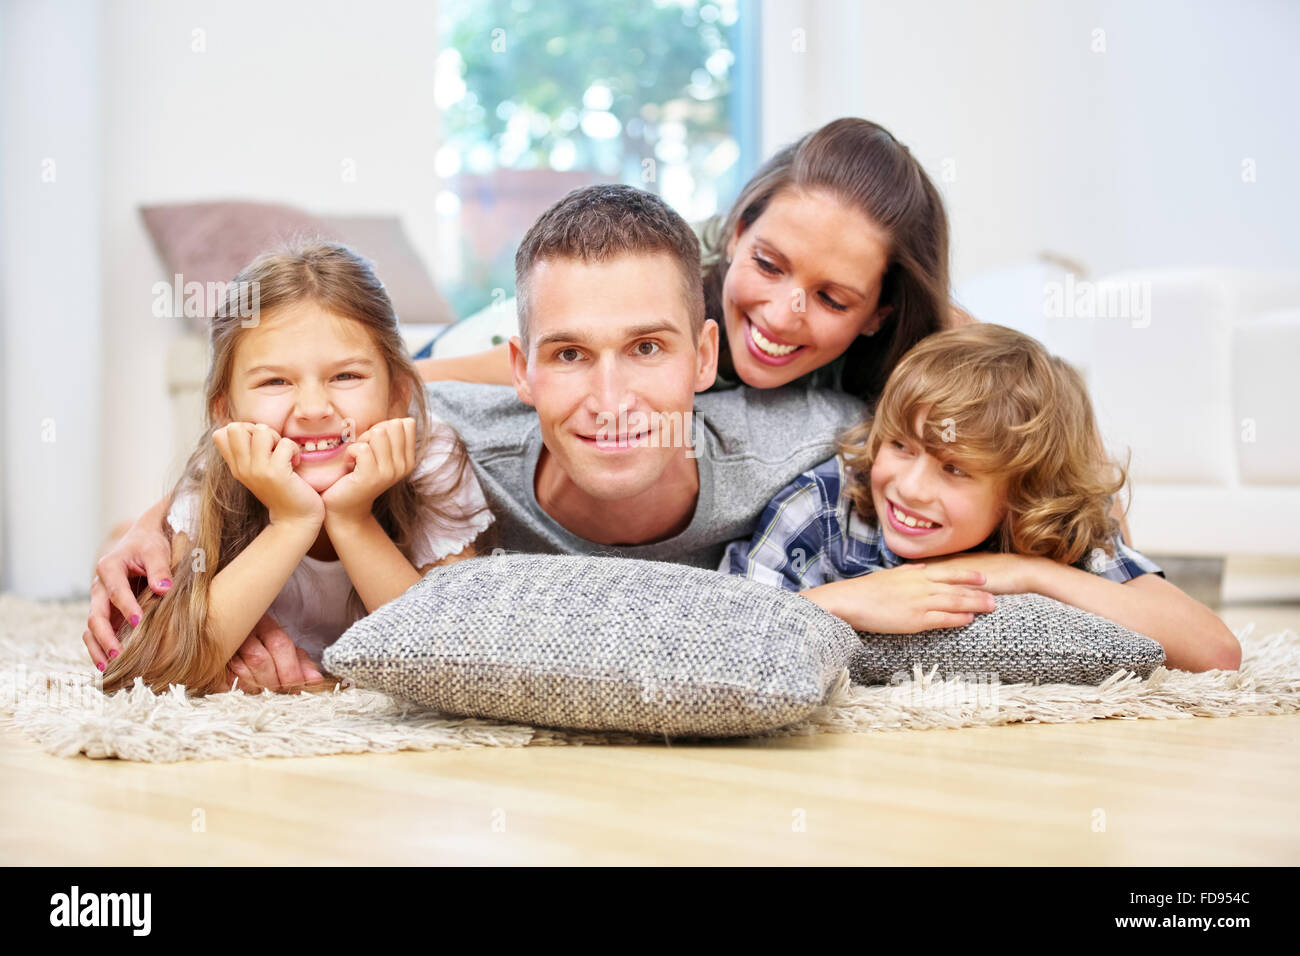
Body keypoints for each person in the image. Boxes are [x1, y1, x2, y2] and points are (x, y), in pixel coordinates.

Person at [89, 186, 865, 688]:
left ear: (705, 355)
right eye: (568, 355)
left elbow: (963, 423)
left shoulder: (801, 440)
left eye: (648, 348)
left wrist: (849, 599)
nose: (609, 399)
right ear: (521, 370)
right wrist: (149, 526)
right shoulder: (438, 434)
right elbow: (278, 430)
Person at [93, 241, 493, 694]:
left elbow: (454, 657)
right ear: (226, 411)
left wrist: (352, 517)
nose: (313, 408)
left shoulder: (430, 455)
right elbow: (149, 672)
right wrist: (292, 522)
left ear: (398, 392)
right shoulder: (216, 472)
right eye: (275, 381)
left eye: (346, 376)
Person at [724, 324, 1241, 673]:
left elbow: (1216, 651)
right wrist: (846, 601)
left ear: (1021, 492)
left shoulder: (1048, 525)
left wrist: (1033, 573)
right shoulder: (825, 505)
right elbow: (723, 633)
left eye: (954, 469)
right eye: (900, 446)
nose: (909, 487)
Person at [416, 117, 972, 404]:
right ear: (737, 232)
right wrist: (404, 378)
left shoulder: (916, 336)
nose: (781, 314)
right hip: (470, 343)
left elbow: (1027, 401)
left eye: (831, 298)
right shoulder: (675, 274)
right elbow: (560, 350)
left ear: (882, 312)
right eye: (770, 266)